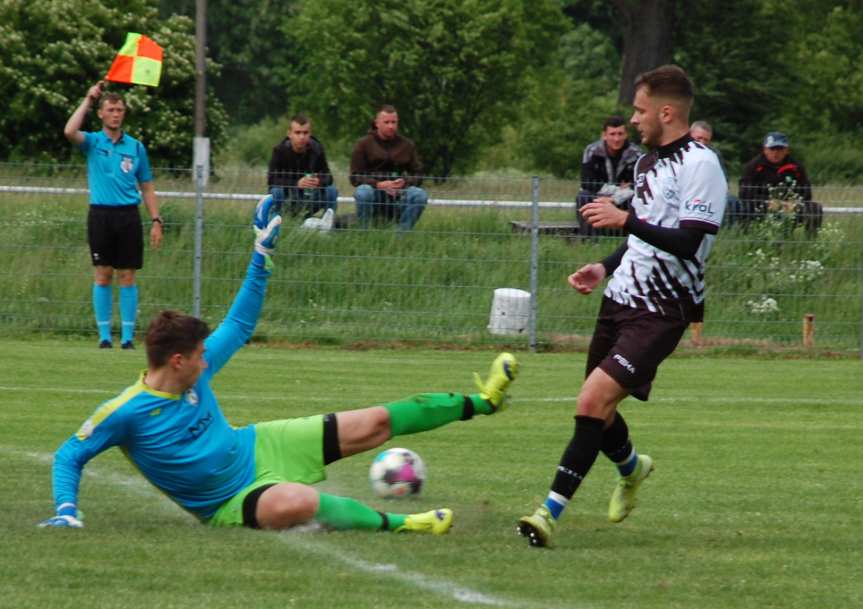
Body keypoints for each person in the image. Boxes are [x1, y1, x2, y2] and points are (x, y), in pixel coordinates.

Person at [39, 195, 519, 534]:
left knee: (375, 423)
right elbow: (69, 454)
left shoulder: (195, 368)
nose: (209, 359)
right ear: (178, 360)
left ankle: (484, 401)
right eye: (201, 355)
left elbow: (240, 324)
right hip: (229, 502)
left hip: (259, 446)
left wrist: (261, 254)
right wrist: (66, 509)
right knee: (299, 503)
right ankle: (407, 524)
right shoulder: (125, 412)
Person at [517, 65, 727, 548]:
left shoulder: (702, 165)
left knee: (592, 401)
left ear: (666, 111)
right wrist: (603, 266)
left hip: (663, 310)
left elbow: (689, 242)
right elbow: (643, 241)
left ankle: (548, 512)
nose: (634, 119)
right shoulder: (646, 165)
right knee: (601, 408)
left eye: (639, 109)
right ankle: (633, 469)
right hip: (621, 298)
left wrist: (626, 218)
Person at [64, 81, 163, 350]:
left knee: (128, 275)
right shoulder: (93, 142)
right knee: (103, 274)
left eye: (120, 109)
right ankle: (105, 337)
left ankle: (128, 338)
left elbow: (147, 185)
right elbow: (69, 130)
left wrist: (156, 219)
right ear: (101, 113)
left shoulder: (136, 147)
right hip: (100, 215)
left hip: (128, 216)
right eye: (110, 109)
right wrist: (88, 98)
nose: (116, 114)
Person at [350, 105, 428, 231]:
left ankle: (402, 235)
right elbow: (354, 177)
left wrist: (405, 182)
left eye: (394, 122)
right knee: (363, 191)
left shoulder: (407, 145)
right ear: (377, 123)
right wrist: (378, 184)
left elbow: (419, 173)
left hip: (399, 194)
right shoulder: (363, 144)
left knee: (419, 195)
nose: (391, 126)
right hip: (374, 192)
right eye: (386, 122)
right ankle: (363, 232)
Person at [738, 132, 822, 235]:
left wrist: (793, 203)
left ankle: (810, 242)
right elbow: (744, 193)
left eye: (780, 149)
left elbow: (806, 193)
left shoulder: (796, 167)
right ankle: (747, 239)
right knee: (744, 207)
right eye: (772, 149)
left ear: (787, 150)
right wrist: (767, 202)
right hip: (761, 206)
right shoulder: (753, 166)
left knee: (814, 208)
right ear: (765, 150)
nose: (776, 153)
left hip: (790, 206)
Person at [576, 115, 642, 238]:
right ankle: (589, 239)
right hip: (599, 196)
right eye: (612, 134)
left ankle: (629, 238)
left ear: (626, 135)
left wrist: (614, 198)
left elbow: (637, 185)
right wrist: (617, 190)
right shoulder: (592, 151)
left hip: (624, 199)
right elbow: (587, 183)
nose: (616, 139)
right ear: (604, 135)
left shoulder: (636, 154)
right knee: (583, 196)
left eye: (620, 134)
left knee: (637, 199)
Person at [267, 114, 337, 230]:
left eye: (305, 133)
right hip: (288, 196)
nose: (302, 137)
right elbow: (271, 179)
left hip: (311, 195)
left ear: (310, 134)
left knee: (332, 190)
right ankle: (274, 226)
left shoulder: (317, 149)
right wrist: (296, 183)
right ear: (289, 134)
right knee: (276, 190)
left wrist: (318, 180)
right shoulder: (279, 150)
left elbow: (328, 177)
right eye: (298, 133)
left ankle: (328, 228)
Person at [689, 120, 742, 226]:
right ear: (690, 136)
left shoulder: (714, 155)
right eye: (698, 138)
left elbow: (724, 181)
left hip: (710, 194)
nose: (702, 142)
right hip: (688, 193)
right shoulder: (681, 153)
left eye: (706, 140)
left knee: (733, 202)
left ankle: (729, 233)